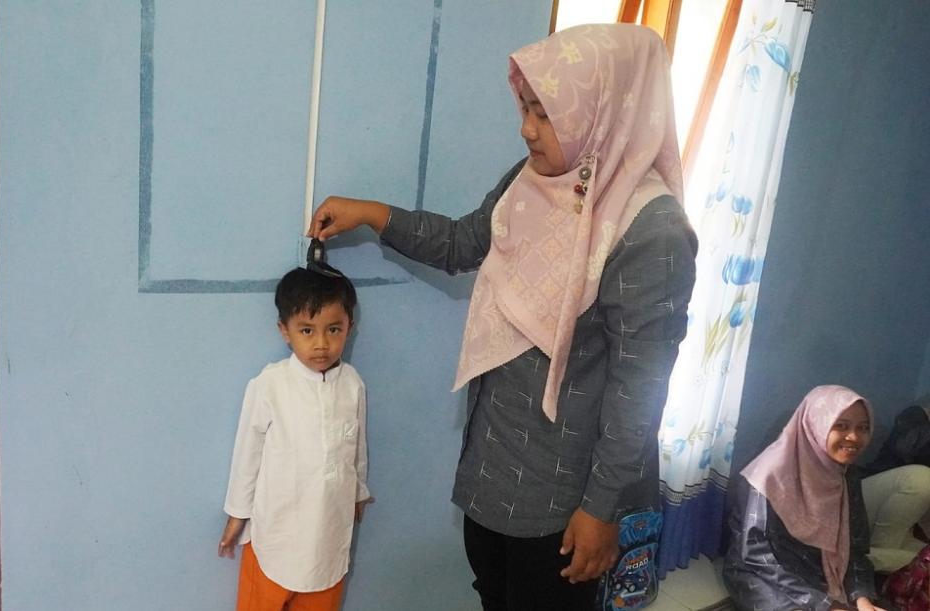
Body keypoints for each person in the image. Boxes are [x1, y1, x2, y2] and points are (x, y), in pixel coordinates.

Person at [308, 24, 696, 611]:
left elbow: (638, 388)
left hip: (566, 498)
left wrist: (601, 509)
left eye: (545, 114)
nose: (527, 129)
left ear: (602, 114)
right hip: (493, 462)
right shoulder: (532, 181)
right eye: (526, 108)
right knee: (493, 593)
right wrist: (370, 213)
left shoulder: (653, 231)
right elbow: (464, 242)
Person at [217, 267, 372, 611]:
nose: (321, 344)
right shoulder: (270, 385)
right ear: (284, 331)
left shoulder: (352, 384)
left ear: (349, 327)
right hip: (276, 534)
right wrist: (237, 514)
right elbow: (247, 455)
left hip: (328, 536)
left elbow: (357, 446)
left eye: (334, 329)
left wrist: (358, 491)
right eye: (307, 330)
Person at [723, 385, 886, 611]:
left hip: (819, 570)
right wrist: (827, 605)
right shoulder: (769, 476)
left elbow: (855, 548)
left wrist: (862, 599)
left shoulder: (846, 475)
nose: (854, 437)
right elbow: (755, 555)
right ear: (816, 424)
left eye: (863, 428)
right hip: (765, 576)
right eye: (841, 425)